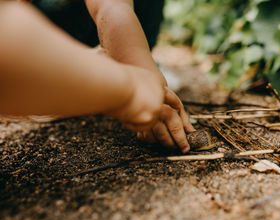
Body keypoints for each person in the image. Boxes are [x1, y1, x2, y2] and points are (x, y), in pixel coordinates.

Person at [0, 0, 195, 153]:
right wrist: (130, 92)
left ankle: (86, 63)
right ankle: (81, 66)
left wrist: (143, 69)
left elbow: (112, 7)